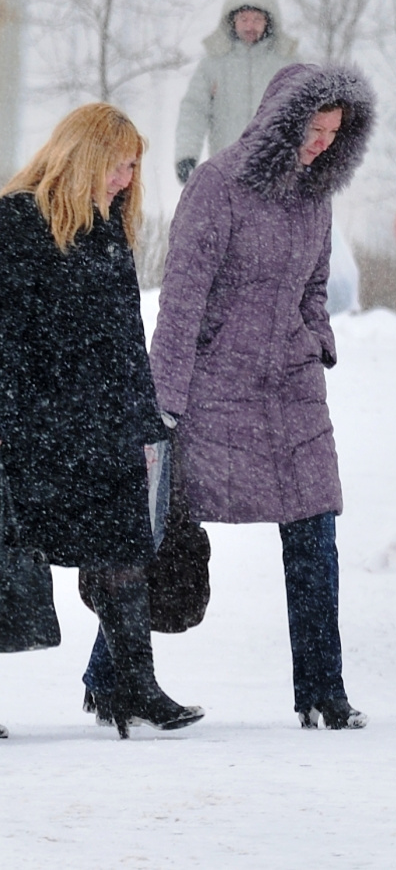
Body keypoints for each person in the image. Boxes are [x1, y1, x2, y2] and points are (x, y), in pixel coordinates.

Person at [151, 61, 374, 731]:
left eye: (335, 133)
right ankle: (112, 674)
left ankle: (322, 690)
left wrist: (318, 340)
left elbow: (314, 287)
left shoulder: (317, 194)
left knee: (315, 531)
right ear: (283, 117)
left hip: (293, 390)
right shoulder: (219, 184)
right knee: (163, 534)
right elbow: (182, 297)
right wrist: (163, 401)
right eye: (314, 127)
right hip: (216, 388)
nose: (321, 143)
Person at [0, 104, 204, 737]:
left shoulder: (109, 227)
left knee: (121, 554)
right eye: (119, 164)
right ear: (84, 155)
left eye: (134, 166)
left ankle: (133, 691)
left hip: (105, 426)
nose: (126, 178)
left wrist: (146, 420)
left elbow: (123, 336)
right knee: (7, 559)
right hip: (31, 428)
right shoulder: (15, 223)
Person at [171, 0, 299, 185]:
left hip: (276, 172)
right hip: (227, 172)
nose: (250, 26)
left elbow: (308, 113)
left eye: (257, 19)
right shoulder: (213, 64)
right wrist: (187, 154)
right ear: (232, 21)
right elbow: (194, 109)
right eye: (244, 19)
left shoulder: (288, 63)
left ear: (269, 21)